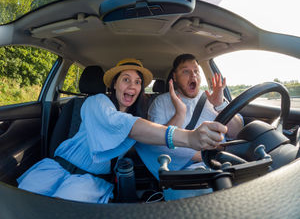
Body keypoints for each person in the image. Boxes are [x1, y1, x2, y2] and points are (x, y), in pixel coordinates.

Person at [17, 58, 228, 204]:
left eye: (138, 82)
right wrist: (190, 137)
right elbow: (122, 123)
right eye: (126, 79)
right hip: (56, 168)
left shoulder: (140, 123)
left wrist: (182, 117)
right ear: (115, 85)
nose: (133, 86)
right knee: (19, 206)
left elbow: (155, 139)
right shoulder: (95, 102)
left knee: (59, 208)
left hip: (91, 181)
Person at [135, 54, 243, 199]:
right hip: (183, 171)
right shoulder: (161, 102)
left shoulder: (213, 99)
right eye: (186, 71)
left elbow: (237, 133)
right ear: (175, 76)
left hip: (222, 164)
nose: (193, 75)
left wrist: (220, 105)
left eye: (196, 71)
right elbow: (157, 142)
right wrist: (180, 113)